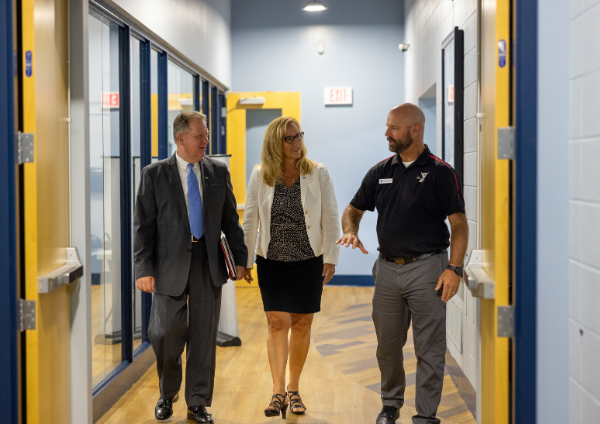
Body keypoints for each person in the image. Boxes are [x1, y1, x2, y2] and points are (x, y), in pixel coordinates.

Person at [336, 104, 468, 424]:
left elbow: (459, 224)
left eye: (393, 128)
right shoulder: (380, 170)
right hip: (387, 269)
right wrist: (350, 231)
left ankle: (425, 415)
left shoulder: (440, 172)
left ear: (415, 130)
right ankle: (390, 403)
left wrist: (454, 268)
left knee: (429, 349)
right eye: (387, 127)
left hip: (429, 269)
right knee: (388, 347)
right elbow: (353, 209)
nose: (387, 133)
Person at [134, 111, 247, 423]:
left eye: (206, 135)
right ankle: (167, 393)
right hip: (167, 265)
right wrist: (143, 268)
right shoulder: (154, 174)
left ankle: (197, 402)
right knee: (165, 333)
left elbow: (230, 220)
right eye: (200, 136)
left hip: (207, 263)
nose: (206, 141)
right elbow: (142, 227)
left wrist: (240, 259)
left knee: (203, 337)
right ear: (180, 138)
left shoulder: (218, 171)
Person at [242, 116, 341, 418]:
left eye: (299, 136)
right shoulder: (260, 175)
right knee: (276, 323)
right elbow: (250, 220)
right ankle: (277, 392)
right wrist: (245, 260)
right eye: (290, 138)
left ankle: (294, 388)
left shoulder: (317, 172)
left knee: (301, 324)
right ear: (276, 142)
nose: (297, 142)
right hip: (271, 261)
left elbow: (331, 216)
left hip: (308, 260)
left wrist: (331, 258)